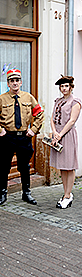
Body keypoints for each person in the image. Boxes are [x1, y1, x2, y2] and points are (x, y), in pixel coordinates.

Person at [0, 68, 44, 205]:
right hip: (7, 137)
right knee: (3, 166)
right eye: (12, 81)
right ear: (8, 83)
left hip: (24, 137)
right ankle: (3, 194)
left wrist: (33, 130)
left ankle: (26, 193)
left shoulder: (28, 97)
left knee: (24, 166)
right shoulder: (1, 99)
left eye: (17, 80)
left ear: (21, 82)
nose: (15, 83)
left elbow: (39, 114)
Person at [50, 75, 81, 209]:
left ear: (71, 87)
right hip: (57, 135)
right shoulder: (58, 101)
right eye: (62, 86)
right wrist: (54, 133)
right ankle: (65, 193)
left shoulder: (75, 102)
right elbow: (52, 118)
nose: (64, 88)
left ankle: (68, 196)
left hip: (67, 135)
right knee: (62, 166)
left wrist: (60, 135)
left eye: (66, 86)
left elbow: (72, 120)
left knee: (70, 165)